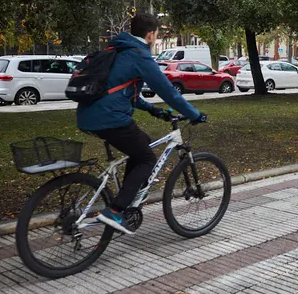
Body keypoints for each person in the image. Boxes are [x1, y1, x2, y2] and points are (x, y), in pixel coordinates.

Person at [77, 13, 206, 234]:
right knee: (147, 158)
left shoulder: (118, 50)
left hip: (88, 115)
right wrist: (194, 114)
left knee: (142, 144)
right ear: (150, 34)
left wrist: (155, 111)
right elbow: (167, 91)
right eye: (156, 35)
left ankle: (126, 199)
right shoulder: (139, 55)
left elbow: (129, 94)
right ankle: (115, 211)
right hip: (110, 118)